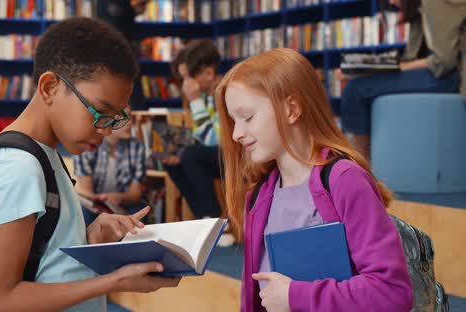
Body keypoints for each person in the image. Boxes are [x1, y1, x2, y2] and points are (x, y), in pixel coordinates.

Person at [0, 17, 179, 312]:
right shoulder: (19, 169)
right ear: (50, 87)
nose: (106, 130)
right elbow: (0, 301)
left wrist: (90, 237)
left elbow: (44, 263)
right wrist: (114, 281)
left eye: (116, 118)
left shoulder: (44, 155)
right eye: (100, 112)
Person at [215, 48, 413, 312]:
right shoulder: (259, 196)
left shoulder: (345, 181)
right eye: (233, 121)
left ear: (291, 109)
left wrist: (296, 296)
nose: (237, 134)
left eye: (248, 117)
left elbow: (392, 292)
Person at [339, 0, 466, 159]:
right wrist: (364, 70)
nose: (391, 2)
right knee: (357, 84)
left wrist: (400, 68)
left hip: (451, 76)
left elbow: (445, 61)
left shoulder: (434, 3)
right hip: (437, 73)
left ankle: (363, 165)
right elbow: (410, 57)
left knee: (354, 90)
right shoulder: (419, 7)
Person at [165, 39, 223, 220]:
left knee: (191, 155)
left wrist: (195, 101)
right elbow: (201, 135)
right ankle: (203, 218)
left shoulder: (226, 92)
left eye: (189, 78)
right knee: (173, 161)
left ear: (208, 73)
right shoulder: (205, 96)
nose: (185, 85)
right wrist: (178, 149)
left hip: (237, 156)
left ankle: (215, 220)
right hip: (217, 155)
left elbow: (214, 141)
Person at [73, 106, 148, 226]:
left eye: (130, 116)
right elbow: (86, 191)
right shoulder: (88, 147)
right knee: (84, 211)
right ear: (105, 120)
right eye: (121, 117)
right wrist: (103, 201)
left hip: (125, 204)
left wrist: (118, 197)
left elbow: (136, 194)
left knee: (139, 209)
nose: (129, 122)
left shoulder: (137, 147)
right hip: (98, 204)